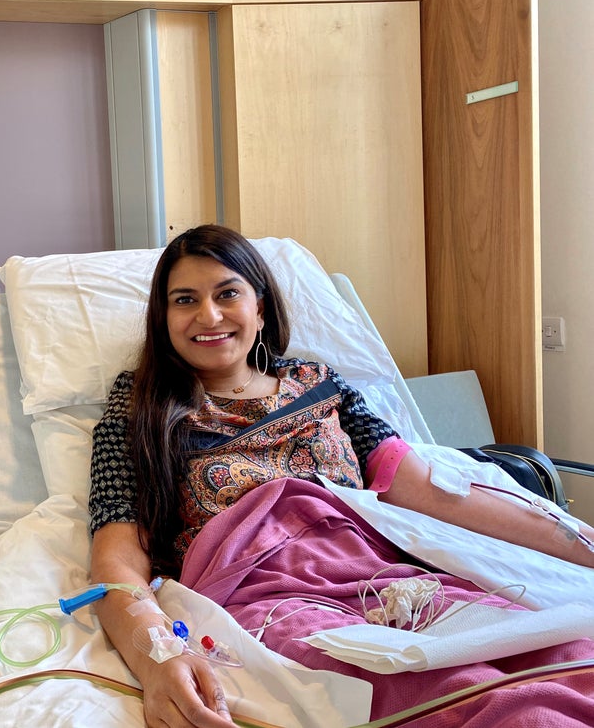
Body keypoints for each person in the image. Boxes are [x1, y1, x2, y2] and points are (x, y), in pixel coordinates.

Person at [88, 225, 594, 728]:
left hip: (391, 579)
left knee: (564, 655)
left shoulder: (321, 384)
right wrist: (158, 658)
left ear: (260, 308)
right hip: (272, 599)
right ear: (164, 318)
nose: (209, 315)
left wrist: (582, 545)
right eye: (185, 300)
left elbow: (428, 491)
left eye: (227, 294)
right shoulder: (139, 407)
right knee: (466, 698)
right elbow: (116, 556)